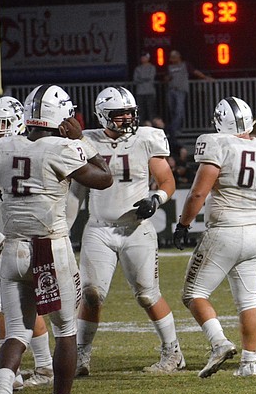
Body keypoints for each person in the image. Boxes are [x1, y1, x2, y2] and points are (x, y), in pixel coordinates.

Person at [0, 85, 113, 394]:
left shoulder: (1, 145)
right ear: (59, 114)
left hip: (11, 247)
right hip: (49, 247)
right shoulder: (62, 147)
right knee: (66, 330)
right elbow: (104, 178)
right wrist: (84, 142)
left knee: (16, 331)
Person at [70, 87, 182, 376]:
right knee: (91, 294)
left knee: (147, 295)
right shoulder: (87, 141)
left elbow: (166, 179)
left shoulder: (146, 138)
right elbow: (76, 192)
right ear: (103, 116)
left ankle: (173, 352)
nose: (126, 119)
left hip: (137, 229)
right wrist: (63, 229)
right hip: (99, 229)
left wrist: (156, 199)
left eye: (130, 113)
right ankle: (81, 355)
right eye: (119, 115)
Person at [174, 97, 256, 378]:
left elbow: (198, 192)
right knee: (248, 300)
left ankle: (219, 342)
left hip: (225, 229)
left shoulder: (218, 144)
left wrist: (183, 224)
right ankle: (249, 363)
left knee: (193, 293)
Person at [0, 97, 55, 391]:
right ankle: (40, 366)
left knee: (13, 308)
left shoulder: (17, 151)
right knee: (23, 306)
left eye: (1, 124)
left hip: (16, 238)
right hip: (18, 236)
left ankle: (30, 369)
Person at [163, 50, 211, 149]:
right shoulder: (169, 67)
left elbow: (195, 72)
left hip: (181, 90)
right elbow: (165, 78)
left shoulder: (185, 65)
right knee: (172, 111)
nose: (172, 58)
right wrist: (167, 78)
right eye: (171, 56)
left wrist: (205, 77)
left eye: (174, 56)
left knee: (179, 111)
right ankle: (177, 128)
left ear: (179, 57)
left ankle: (173, 129)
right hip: (171, 90)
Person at [133, 51, 158, 121]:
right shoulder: (138, 68)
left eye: (144, 57)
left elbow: (151, 78)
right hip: (140, 92)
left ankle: (152, 128)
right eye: (142, 57)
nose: (143, 58)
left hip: (150, 92)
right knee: (140, 111)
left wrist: (141, 79)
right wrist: (145, 79)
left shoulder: (152, 67)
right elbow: (135, 80)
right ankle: (141, 127)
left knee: (151, 111)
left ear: (148, 58)